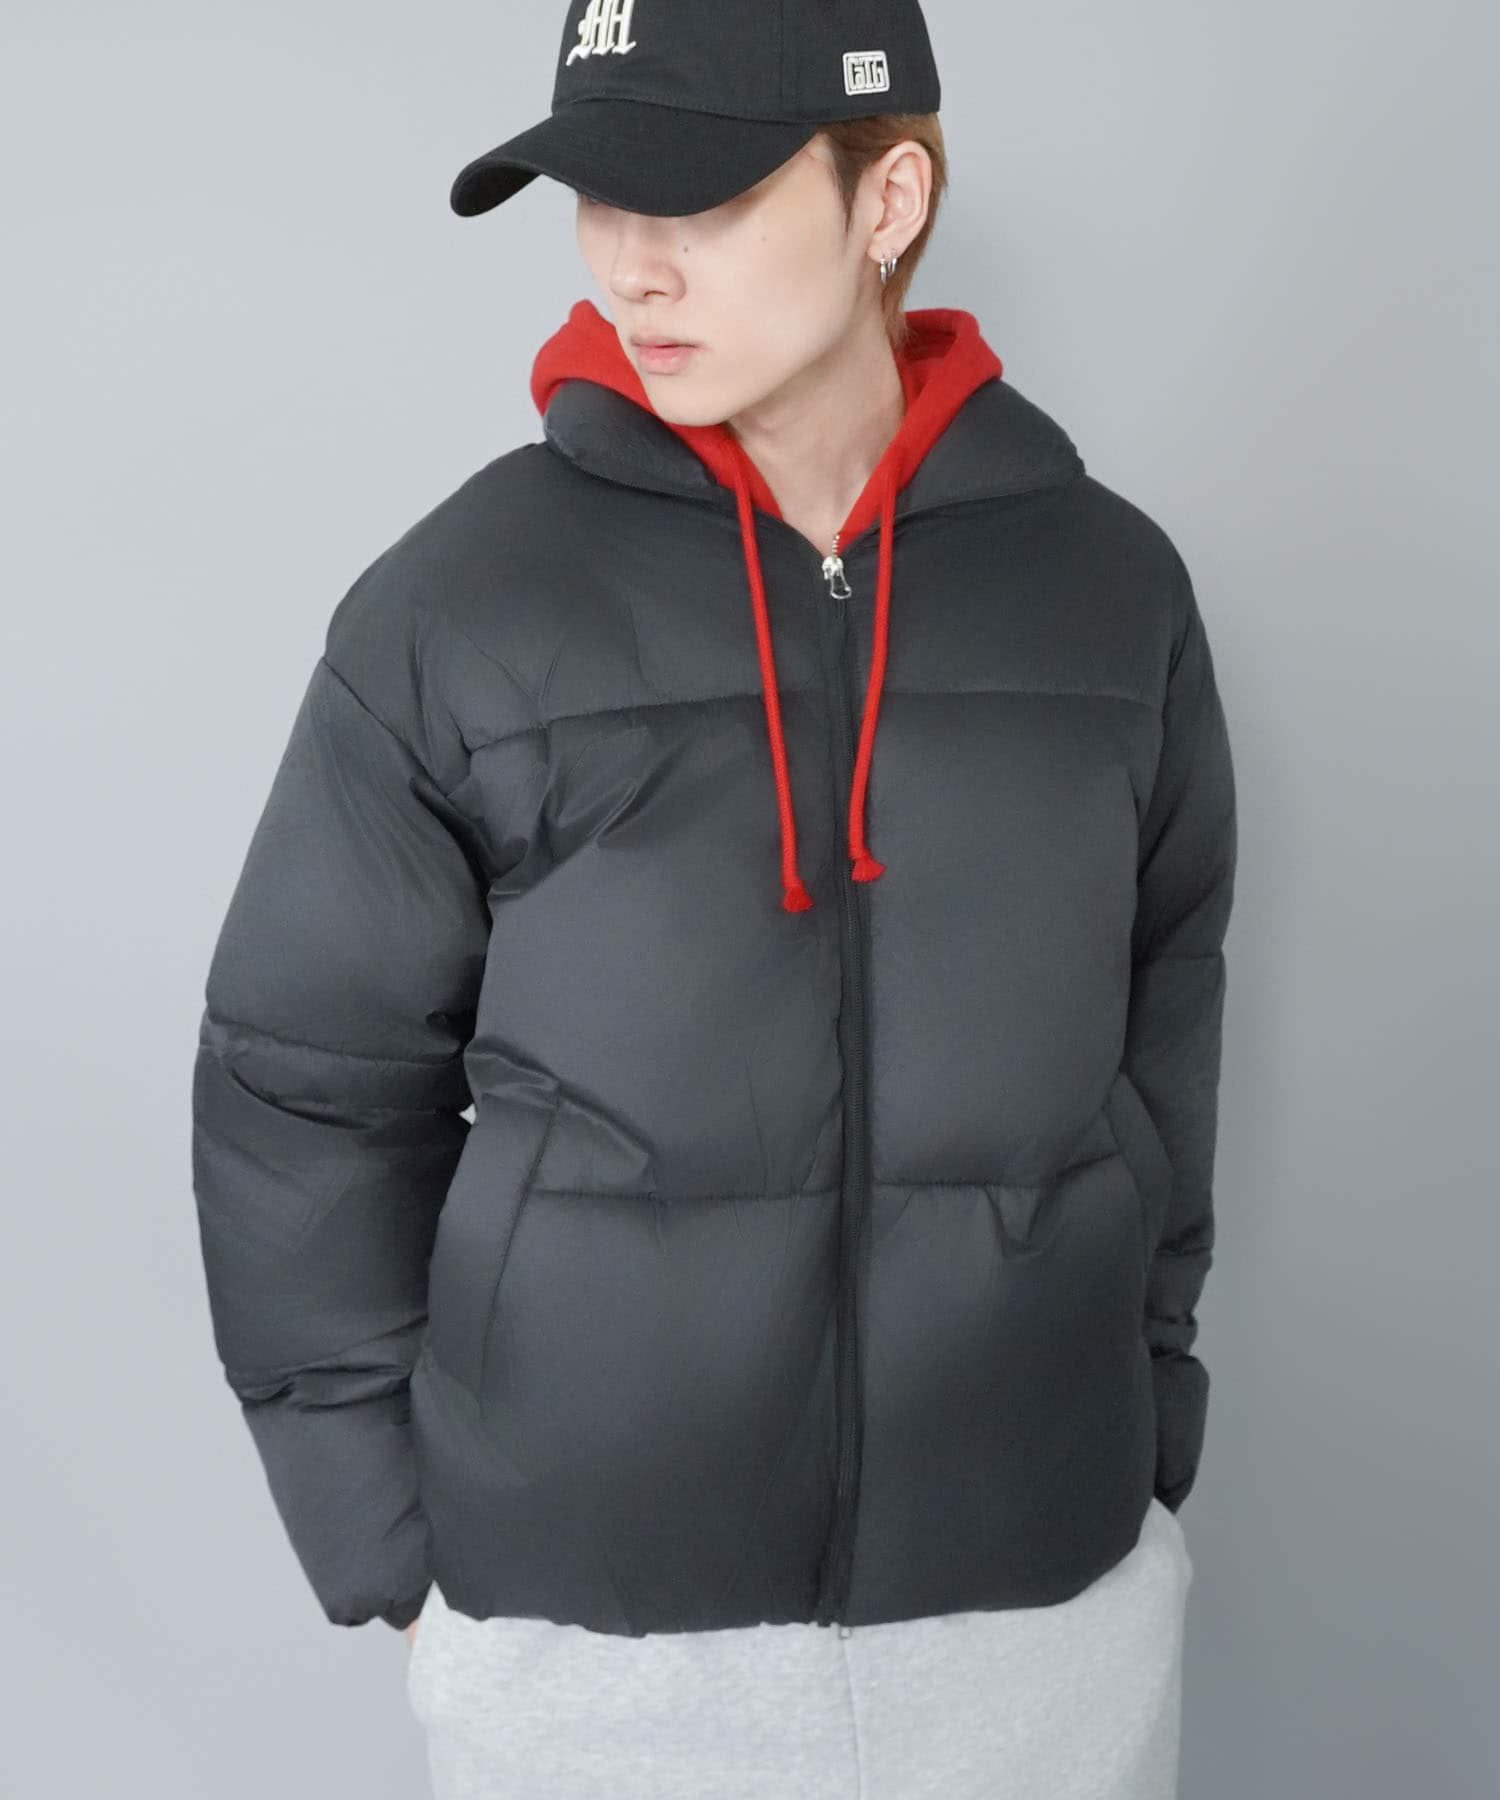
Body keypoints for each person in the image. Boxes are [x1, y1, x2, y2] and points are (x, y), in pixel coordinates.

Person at [190, 1, 1237, 1795]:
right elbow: (301, 1086)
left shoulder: (1110, 593)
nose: (630, 264)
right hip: (593, 1655)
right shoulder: (462, 606)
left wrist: (1145, 1416)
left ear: (887, 198)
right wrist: (395, 1549)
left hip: (1038, 1631)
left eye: (701, 199)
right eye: (599, 199)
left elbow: (1167, 1025)